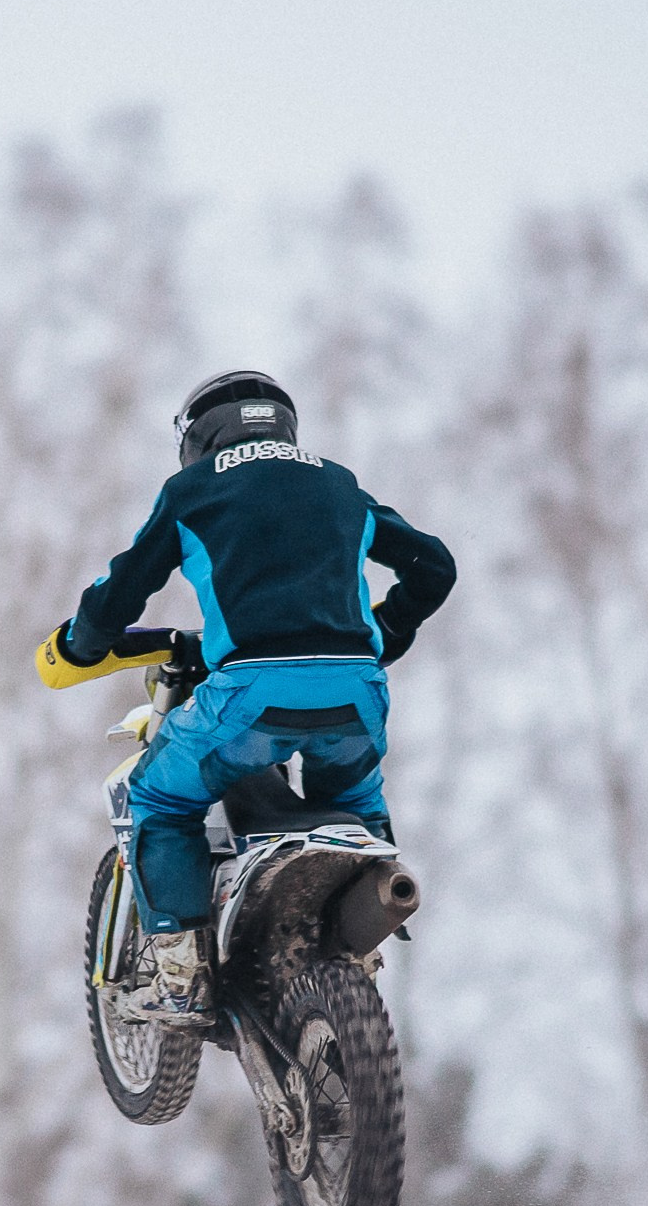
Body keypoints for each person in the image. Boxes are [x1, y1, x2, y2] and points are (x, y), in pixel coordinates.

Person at [43, 370, 455, 1026]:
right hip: (357, 697)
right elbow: (435, 565)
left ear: (197, 434)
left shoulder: (193, 491)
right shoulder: (338, 483)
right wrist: (386, 631)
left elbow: (124, 589)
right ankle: (363, 932)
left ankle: (182, 976)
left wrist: (83, 642)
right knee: (350, 801)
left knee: (157, 797)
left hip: (250, 697)